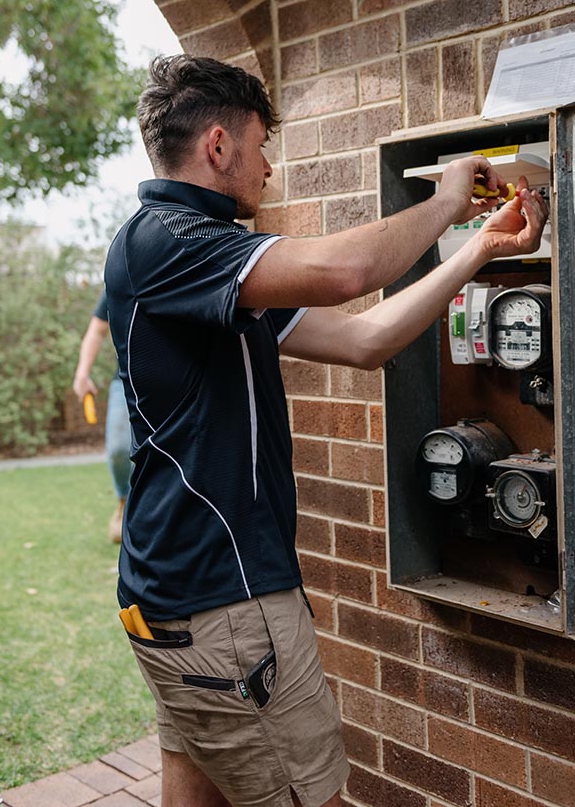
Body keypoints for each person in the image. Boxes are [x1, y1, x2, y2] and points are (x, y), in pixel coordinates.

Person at [104, 55, 547, 807]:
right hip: (226, 605)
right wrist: (448, 199)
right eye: (260, 144)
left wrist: (478, 249)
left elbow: (365, 339)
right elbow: (345, 272)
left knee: (195, 793)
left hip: (181, 602)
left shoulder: (216, 267)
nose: (269, 170)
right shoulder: (169, 240)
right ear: (219, 146)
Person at [72, 289, 133, 543]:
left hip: (172, 379)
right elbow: (97, 330)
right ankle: (124, 502)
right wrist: (82, 374)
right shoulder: (121, 279)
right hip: (125, 380)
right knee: (118, 449)